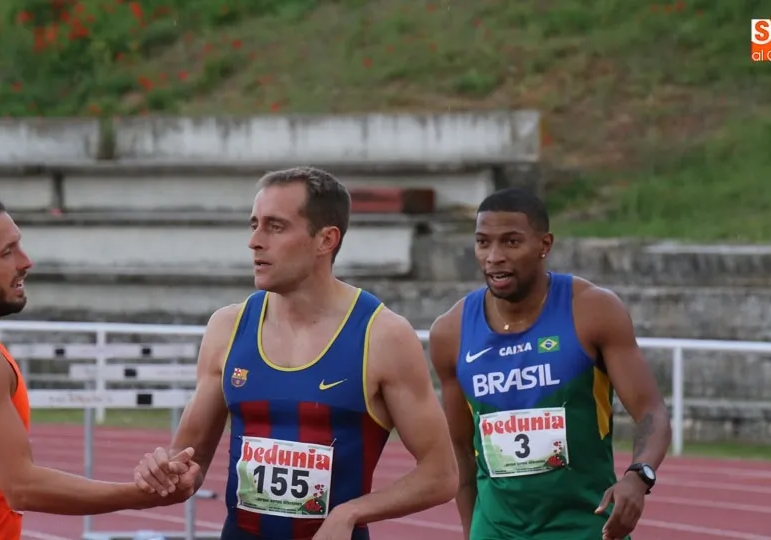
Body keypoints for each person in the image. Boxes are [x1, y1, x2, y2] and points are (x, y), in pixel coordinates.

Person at [132, 167, 459, 540]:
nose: (254, 241)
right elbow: (187, 463)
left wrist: (351, 512)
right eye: (253, 224)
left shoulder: (382, 335)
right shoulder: (228, 328)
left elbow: (441, 474)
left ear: (326, 240)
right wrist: (166, 471)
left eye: (275, 226)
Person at [0, 184, 200, 540]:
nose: (26, 261)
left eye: (18, 245)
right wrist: (142, 495)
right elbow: (22, 486)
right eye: (7, 252)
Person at [427, 188, 672, 540]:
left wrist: (638, 477)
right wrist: (472, 532)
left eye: (511, 242)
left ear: (544, 245)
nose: (494, 256)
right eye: (483, 242)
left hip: (586, 527)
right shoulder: (450, 333)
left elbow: (652, 412)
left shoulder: (592, 310)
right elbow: (461, 453)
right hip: (496, 530)